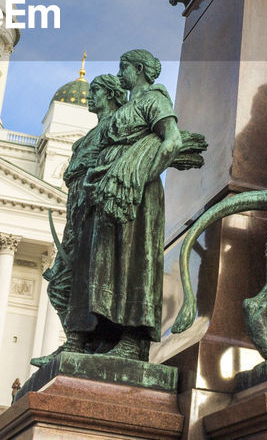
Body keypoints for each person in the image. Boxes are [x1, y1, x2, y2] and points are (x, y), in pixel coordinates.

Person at [67, 50, 181, 360]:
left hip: (135, 194)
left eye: (125, 67)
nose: (121, 73)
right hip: (108, 192)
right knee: (105, 264)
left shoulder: (153, 100)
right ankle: (104, 335)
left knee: (131, 261)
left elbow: (172, 141)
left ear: (140, 69)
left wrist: (137, 174)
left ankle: (133, 338)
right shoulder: (125, 108)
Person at [31, 73, 127, 367]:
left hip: (94, 211)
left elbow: (117, 162)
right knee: (59, 284)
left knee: (84, 282)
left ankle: (78, 341)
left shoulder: (117, 126)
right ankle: (75, 340)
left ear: (110, 95)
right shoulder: (87, 137)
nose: (90, 96)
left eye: (96, 91)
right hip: (75, 213)